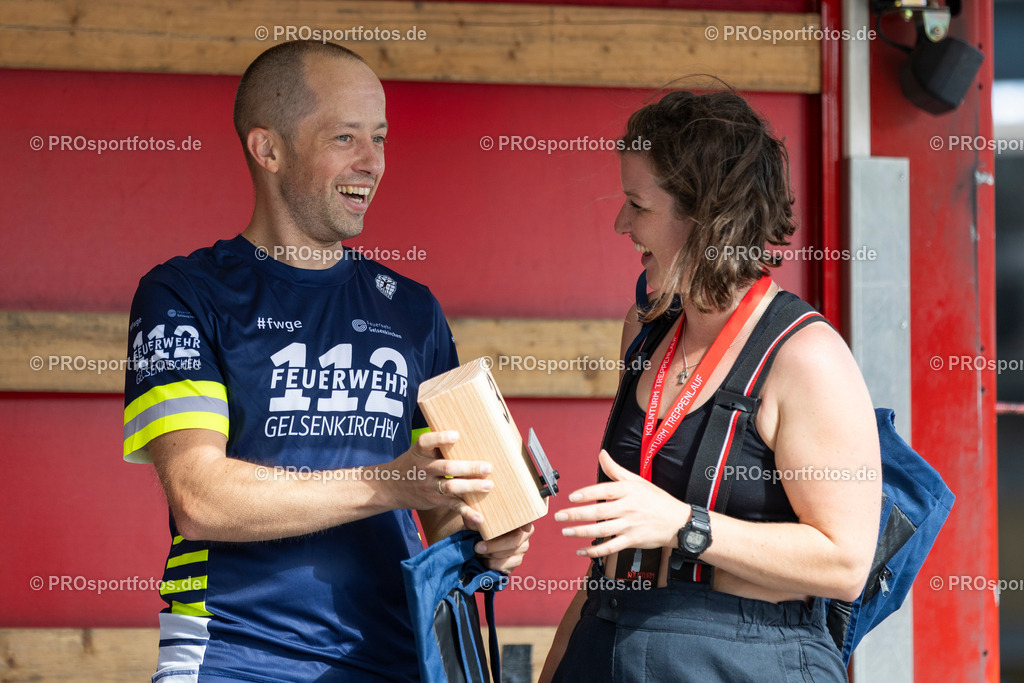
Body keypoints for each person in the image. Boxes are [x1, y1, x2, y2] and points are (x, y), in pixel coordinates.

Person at [122, 40, 531, 683]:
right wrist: (390, 482)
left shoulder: (414, 310)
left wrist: (489, 535)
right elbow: (198, 496)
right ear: (269, 150)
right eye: (345, 137)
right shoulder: (185, 293)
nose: (372, 163)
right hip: (233, 657)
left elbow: (442, 505)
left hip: (400, 659)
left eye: (381, 137)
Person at [540, 90, 882, 682]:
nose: (621, 224)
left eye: (637, 205)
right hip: (608, 637)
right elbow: (610, 568)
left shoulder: (806, 355)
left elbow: (846, 561)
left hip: (741, 660)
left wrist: (683, 524)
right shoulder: (644, 331)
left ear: (705, 215)